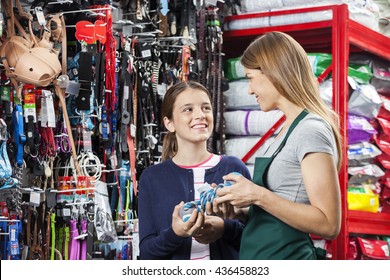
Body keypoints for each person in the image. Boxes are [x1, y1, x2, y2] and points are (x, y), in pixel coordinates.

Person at [213, 31, 342, 260]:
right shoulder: (284, 131)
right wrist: (240, 210)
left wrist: (257, 195)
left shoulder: (311, 129)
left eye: (250, 77)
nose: (250, 89)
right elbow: (280, 205)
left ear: (273, 71)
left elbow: (329, 223)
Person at [138, 81, 251, 260]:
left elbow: (258, 238)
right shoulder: (152, 178)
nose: (200, 115)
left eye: (206, 108)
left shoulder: (234, 168)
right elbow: (146, 252)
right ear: (169, 123)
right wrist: (175, 233)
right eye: (188, 109)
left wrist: (224, 228)